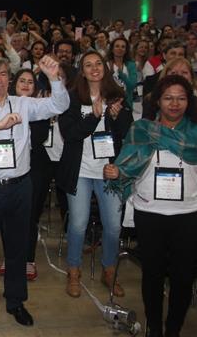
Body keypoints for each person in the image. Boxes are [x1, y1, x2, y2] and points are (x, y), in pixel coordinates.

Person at [0, 56, 68, 327]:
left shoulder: (23, 104)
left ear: (10, 78)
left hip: (20, 187)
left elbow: (59, 105)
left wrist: (55, 78)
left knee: (17, 249)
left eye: (4, 75)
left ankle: (16, 301)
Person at [105, 75, 197, 337]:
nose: (174, 104)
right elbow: (126, 165)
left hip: (188, 213)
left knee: (182, 277)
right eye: (168, 97)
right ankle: (154, 328)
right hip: (150, 212)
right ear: (158, 100)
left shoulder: (195, 134)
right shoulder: (142, 130)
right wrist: (115, 172)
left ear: (188, 102)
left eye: (181, 98)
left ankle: (174, 329)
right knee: (153, 275)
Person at [57, 51, 133, 299]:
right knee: (78, 224)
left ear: (105, 67)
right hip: (80, 170)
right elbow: (70, 134)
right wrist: (94, 117)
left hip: (108, 172)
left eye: (98, 63)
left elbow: (125, 133)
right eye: (88, 65)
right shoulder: (72, 98)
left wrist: (116, 116)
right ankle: (74, 270)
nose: (94, 68)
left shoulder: (117, 96)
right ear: (82, 71)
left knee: (113, 226)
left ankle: (109, 270)